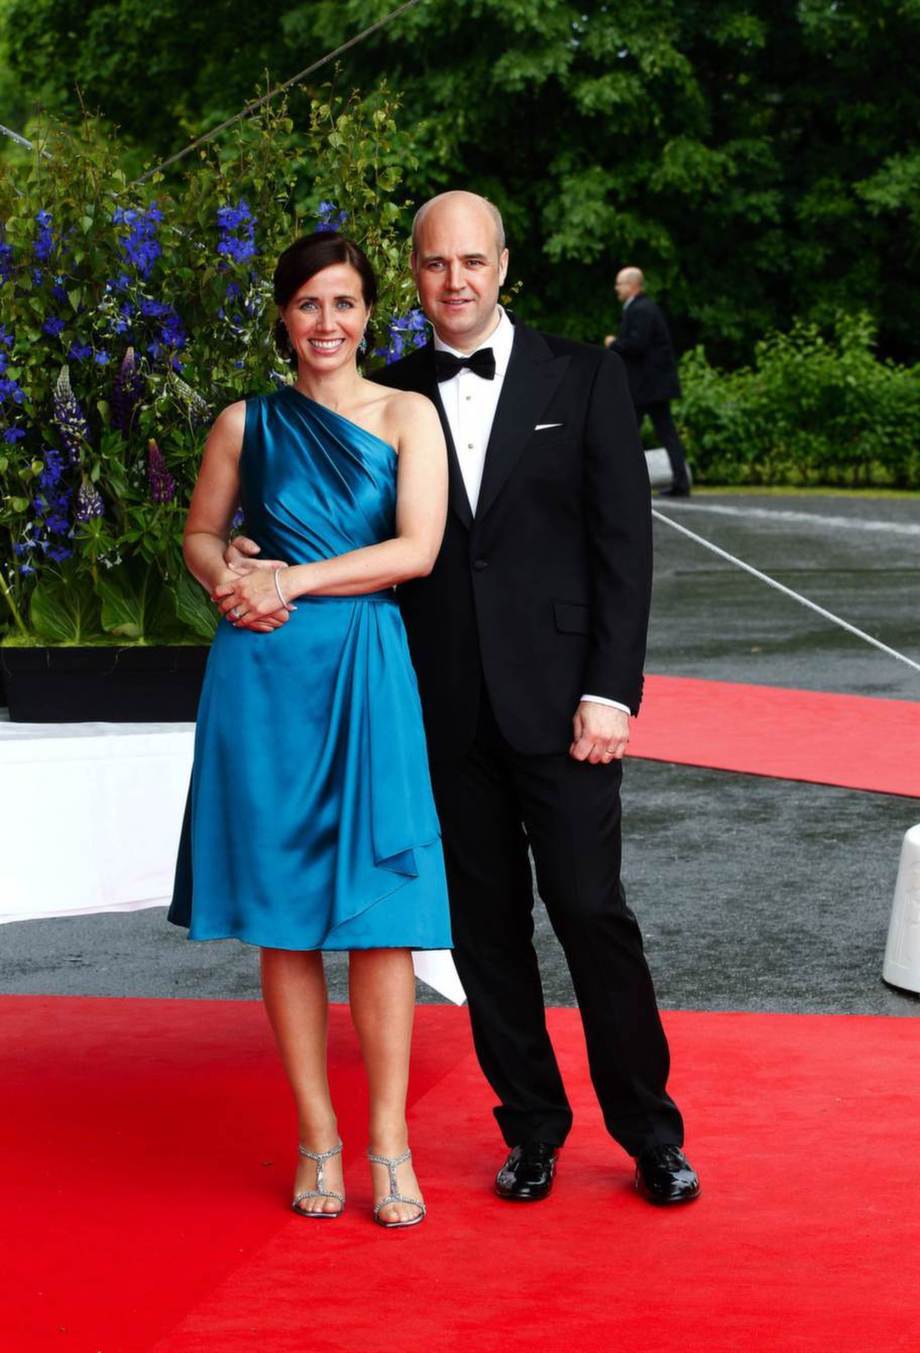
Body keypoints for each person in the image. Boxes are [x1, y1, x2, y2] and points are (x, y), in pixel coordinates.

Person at [229, 192, 699, 1207]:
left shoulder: (586, 375)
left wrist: (610, 691)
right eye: (436, 263)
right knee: (485, 932)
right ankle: (531, 1130)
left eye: (472, 261)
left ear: (503, 265)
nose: (455, 280)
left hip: (566, 702)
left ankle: (650, 1133)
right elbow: (324, 517)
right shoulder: (384, 392)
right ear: (414, 273)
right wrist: (244, 545)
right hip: (432, 705)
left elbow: (624, 546)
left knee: (590, 911)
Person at [168, 231, 452, 1229]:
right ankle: (316, 1138)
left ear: (369, 312)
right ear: (283, 316)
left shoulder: (408, 414)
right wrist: (227, 574)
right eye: (306, 305)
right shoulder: (244, 422)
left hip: (366, 665)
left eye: (343, 303)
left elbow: (416, 551)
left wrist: (287, 577)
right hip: (264, 675)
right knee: (284, 915)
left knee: (383, 918)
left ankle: (389, 1141)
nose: (325, 323)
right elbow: (200, 534)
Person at [604, 267, 692, 497]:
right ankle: (679, 481)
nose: (616, 288)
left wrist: (614, 344)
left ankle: (620, 482)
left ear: (632, 285)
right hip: (651, 386)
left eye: (619, 284)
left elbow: (637, 344)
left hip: (647, 387)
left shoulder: (640, 309)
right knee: (662, 432)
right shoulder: (642, 307)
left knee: (628, 432)